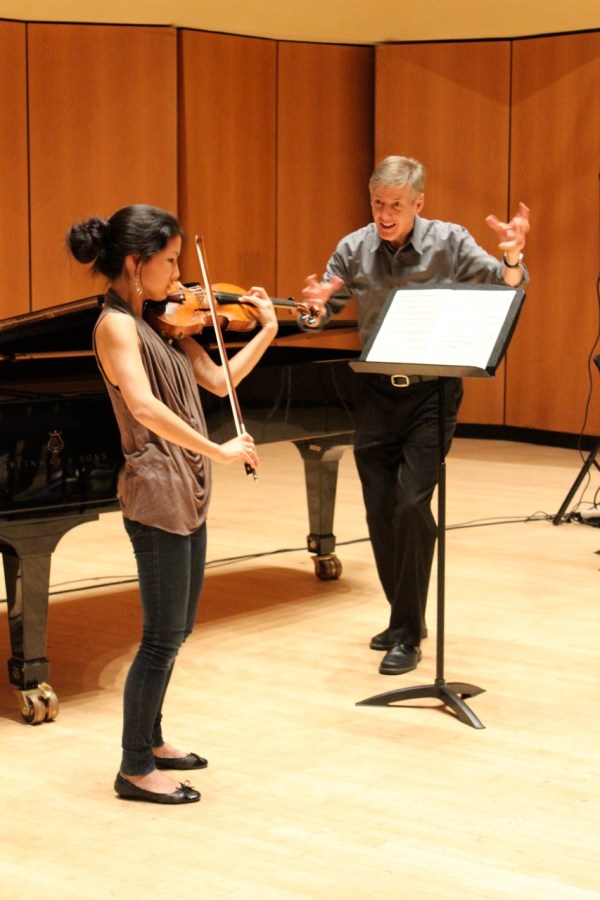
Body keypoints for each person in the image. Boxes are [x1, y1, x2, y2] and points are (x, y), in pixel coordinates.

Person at [66, 204, 278, 804]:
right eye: (170, 262)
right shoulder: (116, 327)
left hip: (187, 486)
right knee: (160, 637)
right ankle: (135, 767)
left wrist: (266, 330)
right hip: (156, 491)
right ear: (137, 264)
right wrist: (218, 448)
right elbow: (143, 406)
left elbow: (219, 382)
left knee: (177, 630)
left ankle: (152, 739)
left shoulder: (162, 324)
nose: (180, 277)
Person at [302, 155, 530, 676]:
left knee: (411, 505)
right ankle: (404, 616)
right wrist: (313, 309)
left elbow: (508, 286)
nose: (385, 215)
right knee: (379, 511)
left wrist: (513, 254)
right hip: (375, 393)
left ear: (418, 203)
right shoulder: (353, 248)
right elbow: (321, 313)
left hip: (432, 395)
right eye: (378, 204)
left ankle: (407, 632)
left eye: (396, 205)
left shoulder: (450, 242)